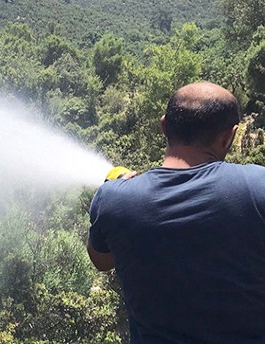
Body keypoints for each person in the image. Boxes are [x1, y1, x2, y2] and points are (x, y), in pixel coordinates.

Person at [87, 81, 265, 343]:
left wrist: (119, 190)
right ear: (229, 136)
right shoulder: (258, 187)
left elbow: (101, 262)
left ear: (163, 126)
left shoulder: (114, 199)